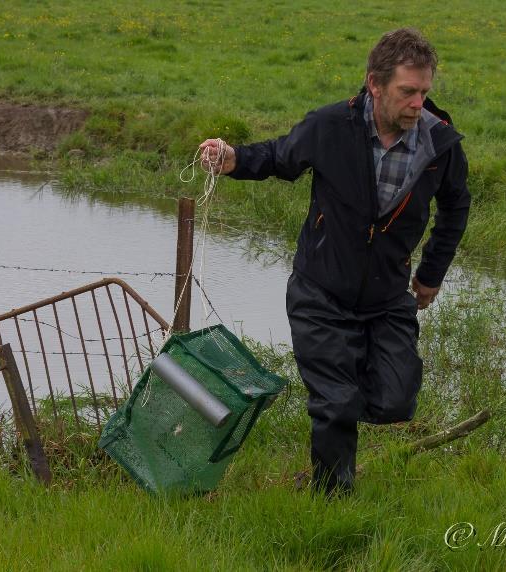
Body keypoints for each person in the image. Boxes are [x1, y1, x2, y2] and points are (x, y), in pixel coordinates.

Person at [199, 28, 470, 496]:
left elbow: (456, 207)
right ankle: (331, 499)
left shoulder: (440, 145)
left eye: (424, 92)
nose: (417, 103)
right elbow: (280, 156)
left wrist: (430, 274)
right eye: (407, 92)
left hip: (387, 297)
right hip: (319, 291)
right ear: (375, 84)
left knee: (397, 400)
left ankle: (343, 384)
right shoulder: (330, 127)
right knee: (336, 403)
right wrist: (232, 159)